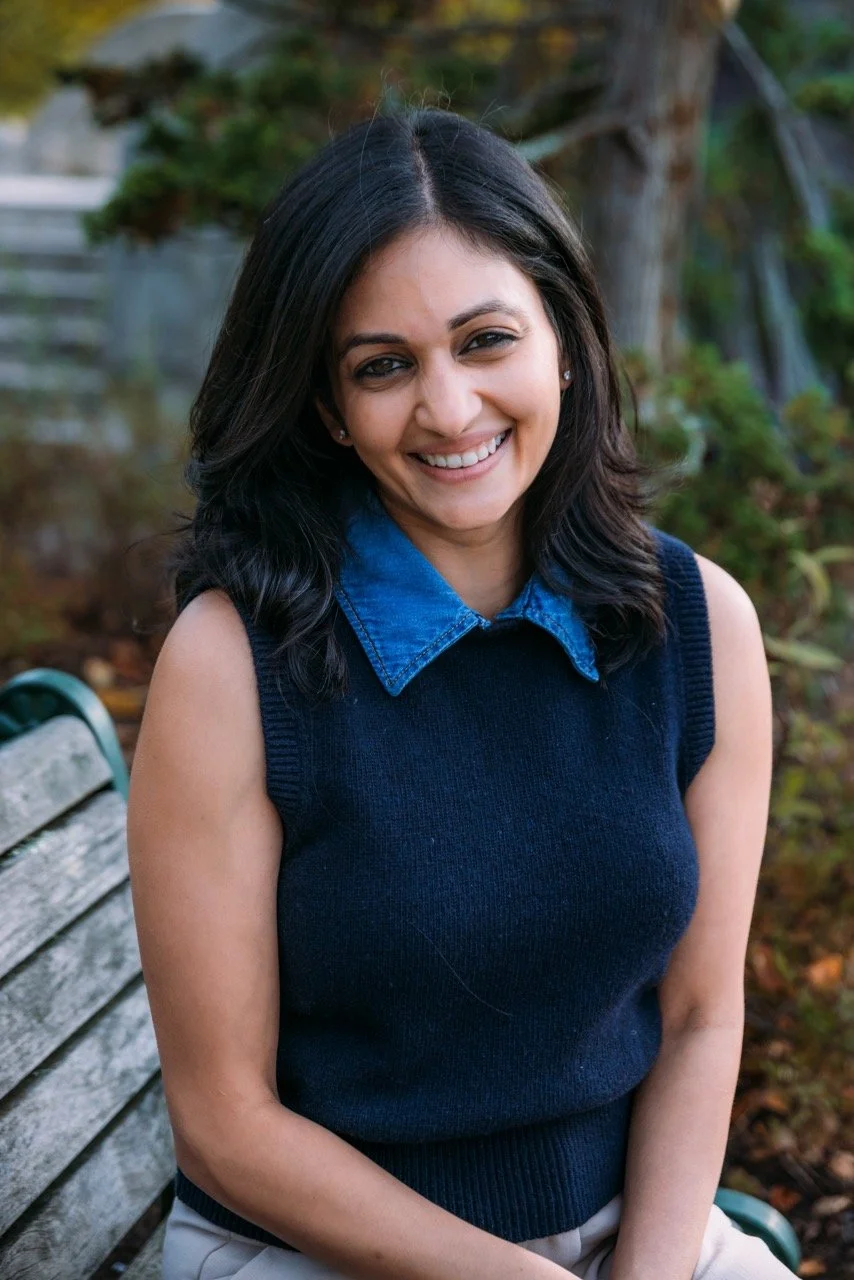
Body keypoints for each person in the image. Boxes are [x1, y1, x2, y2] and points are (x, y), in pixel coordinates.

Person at [127, 107, 791, 1279]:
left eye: (485, 340)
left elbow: (695, 1019)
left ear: (564, 341)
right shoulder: (233, 665)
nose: (445, 408)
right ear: (329, 408)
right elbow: (224, 1123)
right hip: (313, 1250)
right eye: (382, 366)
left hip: (633, 1236)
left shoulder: (696, 627)